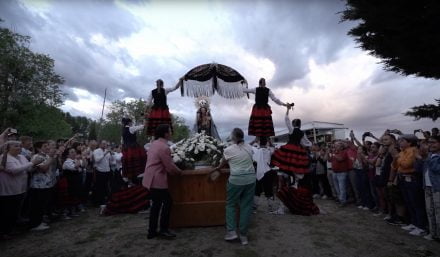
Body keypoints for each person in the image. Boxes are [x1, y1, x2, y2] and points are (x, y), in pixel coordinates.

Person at [209, 128, 256, 245]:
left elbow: (222, 164)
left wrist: (217, 169)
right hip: (251, 179)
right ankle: (244, 236)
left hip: (236, 180)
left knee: (230, 204)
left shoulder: (228, 150)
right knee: (246, 206)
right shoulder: (249, 147)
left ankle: (232, 232)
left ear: (234, 137)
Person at [142, 124, 182, 239]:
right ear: (165, 134)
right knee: (168, 202)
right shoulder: (164, 147)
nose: (171, 133)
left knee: (156, 205)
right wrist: (180, 172)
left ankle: (152, 231)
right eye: (170, 131)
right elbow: (169, 166)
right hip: (157, 179)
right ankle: (163, 230)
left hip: (150, 178)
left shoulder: (154, 144)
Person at [0, 141, 42, 239]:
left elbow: (27, 169)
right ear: (8, 148)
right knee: (7, 212)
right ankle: (4, 232)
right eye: (15, 146)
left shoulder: (22, 157)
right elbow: (14, 170)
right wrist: (32, 163)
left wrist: (35, 166)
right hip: (8, 190)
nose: (19, 147)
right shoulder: (4, 157)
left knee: (15, 211)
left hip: (21, 188)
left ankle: (10, 229)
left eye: (19, 146)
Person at [392, 134, 427, 236]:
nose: (399, 142)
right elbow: (394, 166)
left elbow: (406, 164)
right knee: (408, 202)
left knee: (416, 202)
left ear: (409, 142)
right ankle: (414, 223)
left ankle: (421, 226)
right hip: (403, 178)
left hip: (412, 179)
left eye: (402, 141)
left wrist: (397, 159)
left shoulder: (413, 150)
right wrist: (397, 160)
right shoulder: (402, 152)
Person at [28, 141, 55, 231]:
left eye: (47, 146)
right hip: (38, 186)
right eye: (45, 146)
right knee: (37, 205)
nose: (48, 147)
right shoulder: (37, 157)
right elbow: (43, 169)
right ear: (39, 148)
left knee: (42, 204)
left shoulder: (46, 156)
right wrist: (50, 159)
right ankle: (35, 224)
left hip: (46, 185)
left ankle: (39, 221)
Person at [252, 136, 276, 213]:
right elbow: (273, 147)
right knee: (269, 190)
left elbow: (249, 146)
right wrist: (270, 141)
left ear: (259, 142)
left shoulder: (257, 150)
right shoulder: (269, 150)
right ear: (266, 142)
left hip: (259, 171)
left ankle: (254, 208)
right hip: (268, 171)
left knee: (257, 190)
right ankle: (271, 208)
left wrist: (254, 140)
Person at [423, 135, 440, 241]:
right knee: (430, 211)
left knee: (439, 212)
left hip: (438, 187)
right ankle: (433, 233)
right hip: (428, 186)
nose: (430, 145)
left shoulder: (431, 156)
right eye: (429, 142)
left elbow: (436, 169)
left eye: (433, 142)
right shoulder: (430, 155)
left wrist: (427, 158)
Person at [121, 118, 147, 182]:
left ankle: (128, 177)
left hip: (126, 149)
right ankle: (139, 173)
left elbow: (122, 141)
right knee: (140, 159)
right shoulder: (131, 128)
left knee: (128, 162)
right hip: (133, 148)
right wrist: (144, 119)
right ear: (129, 123)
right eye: (131, 122)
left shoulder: (123, 130)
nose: (132, 123)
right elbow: (143, 126)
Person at [92, 140, 112, 206]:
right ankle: (99, 202)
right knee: (100, 187)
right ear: (100, 144)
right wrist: (105, 153)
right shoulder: (96, 151)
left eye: (105, 144)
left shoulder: (107, 151)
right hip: (100, 172)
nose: (105, 145)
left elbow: (110, 161)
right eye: (103, 144)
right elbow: (97, 160)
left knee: (106, 187)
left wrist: (111, 154)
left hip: (107, 171)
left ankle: (106, 201)